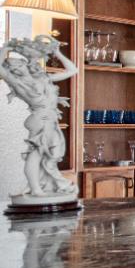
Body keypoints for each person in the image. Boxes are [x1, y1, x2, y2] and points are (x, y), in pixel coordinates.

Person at [1, 34, 78, 199]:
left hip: (50, 119)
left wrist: (57, 53)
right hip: (39, 119)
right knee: (36, 153)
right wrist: (5, 49)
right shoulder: (18, 83)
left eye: (21, 62)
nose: (22, 65)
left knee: (52, 155)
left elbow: (73, 70)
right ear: (13, 71)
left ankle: (49, 184)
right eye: (15, 65)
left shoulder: (43, 79)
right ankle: (36, 189)